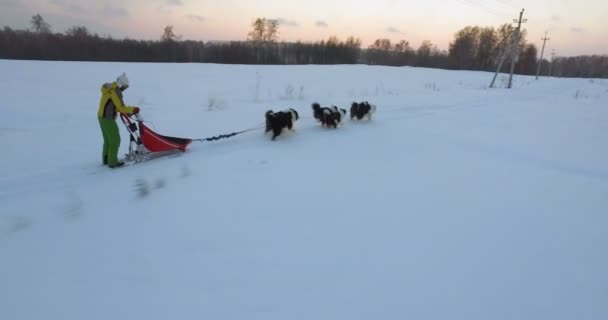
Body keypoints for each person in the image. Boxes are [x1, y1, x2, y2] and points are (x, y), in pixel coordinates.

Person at [97, 72, 140, 168]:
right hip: (107, 118)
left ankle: (106, 159)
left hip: (101, 117)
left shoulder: (109, 87)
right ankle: (112, 162)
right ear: (121, 84)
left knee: (108, 140)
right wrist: (133, 109)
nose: (124, 89)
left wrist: (120, 110)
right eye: (125, 87)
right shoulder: (116, 92)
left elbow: (112, 103)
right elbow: (121, 107)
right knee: (115, 140)